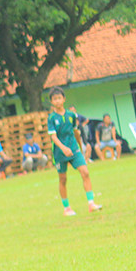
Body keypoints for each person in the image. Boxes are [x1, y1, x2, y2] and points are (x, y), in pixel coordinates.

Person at [49, 87, 102, 216]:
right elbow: (53, 137)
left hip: (74, 149)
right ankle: (66, 208)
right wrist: (63, 148)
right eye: (55, 99)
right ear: (51, 102)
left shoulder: (71, 115)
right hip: (60, 153)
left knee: (85, 172)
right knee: (63, 179)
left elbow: (76, 132)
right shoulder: (51, 118)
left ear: (64, 99)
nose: (57, 101)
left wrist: (81, 147)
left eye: (59, 98)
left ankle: (91, 204)